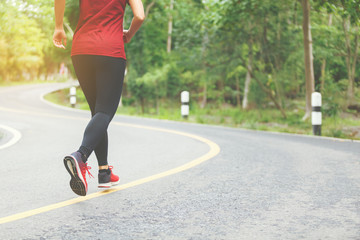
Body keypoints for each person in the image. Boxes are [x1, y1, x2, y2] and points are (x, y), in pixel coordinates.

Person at [53, 0, 145, 196]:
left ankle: (104, 172)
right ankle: (81, 155)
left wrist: (59, 27)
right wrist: (128, 33)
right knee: (105, 111)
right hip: (110, 50)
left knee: (97, 112)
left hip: (81, 50)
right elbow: (140, 16)